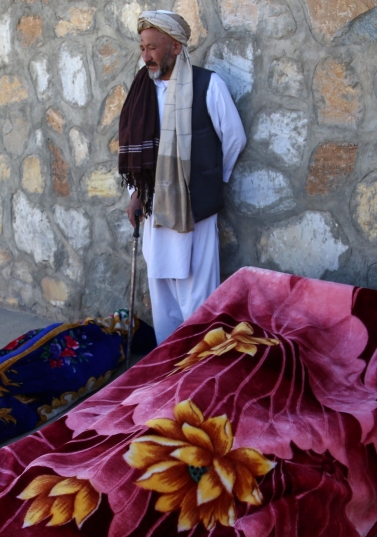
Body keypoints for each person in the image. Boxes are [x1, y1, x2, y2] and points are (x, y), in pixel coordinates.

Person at [118, 9, 246, 345]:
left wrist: (209, 181)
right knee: (162, 295)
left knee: (197, 295)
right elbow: (136, 152)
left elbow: (234, 137)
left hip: (194, 208)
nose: (145, 56)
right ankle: (168, 367)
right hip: (155, 206)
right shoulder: (141, 91)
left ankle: (199, 369)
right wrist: (135, 194)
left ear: (176, 47)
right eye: (142, 47)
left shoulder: (208, 85)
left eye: (153, 48)